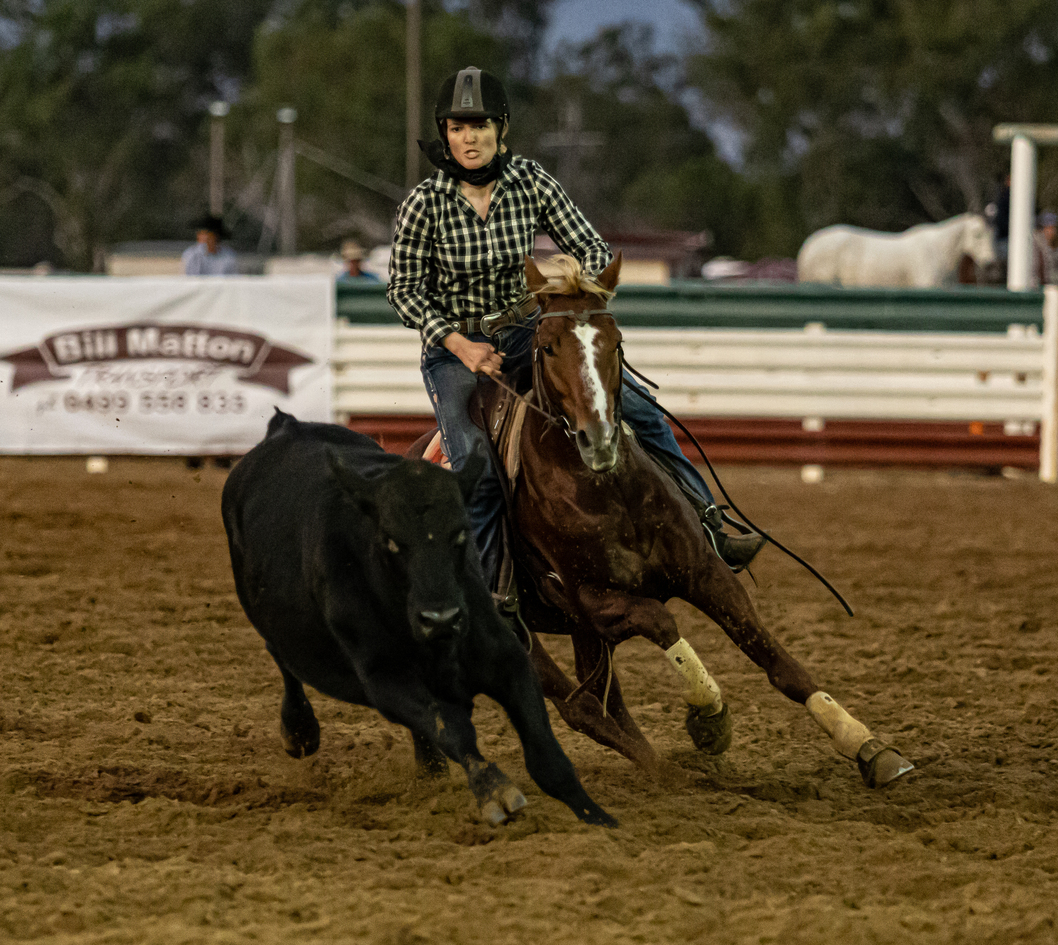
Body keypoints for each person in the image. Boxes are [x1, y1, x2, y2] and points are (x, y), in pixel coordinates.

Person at [387, 66, 765, 594]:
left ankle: (709, 527)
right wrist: (460, 345)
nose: (468, 138)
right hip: (455, 351)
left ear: (501, 129)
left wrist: (578, 291)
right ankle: (492, 589)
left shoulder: (531, 182)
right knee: (474, 460)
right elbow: (403, 290)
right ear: (444, 134)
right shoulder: (423, 204)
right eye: (456, 128)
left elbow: (591, 247)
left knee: (640, 410)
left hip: (528, 331)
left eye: (479, 126)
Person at [1034, 210, 1058, 286]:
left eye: (1053, 228)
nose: (1051, 231)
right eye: (1048, 228)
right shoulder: (1036, 244)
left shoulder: (1053, 244)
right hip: (1038, 285)